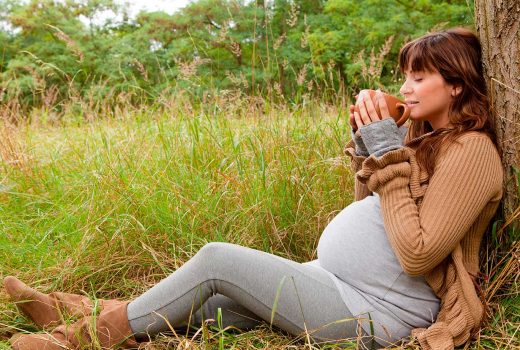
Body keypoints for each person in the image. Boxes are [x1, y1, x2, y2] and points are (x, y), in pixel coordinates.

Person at [4, 27, 503, 350]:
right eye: (405, 77)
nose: (407, 87)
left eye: (420, 76)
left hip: (379, 315)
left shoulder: (472, 152)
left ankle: (79, 339)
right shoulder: (424, 141)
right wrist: (371, 154)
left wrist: (387, 154)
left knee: (218, 261)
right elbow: (373, 212)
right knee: (203, 308)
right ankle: (76, 310)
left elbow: (417, 254)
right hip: (337, 283)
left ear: (456, 84)